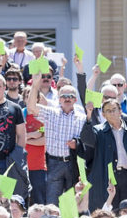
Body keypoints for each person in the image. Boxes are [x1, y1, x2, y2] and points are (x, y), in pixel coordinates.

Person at [79, 98, 127, 211]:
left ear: (120, 111)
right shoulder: (98, 130)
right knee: (110, 210)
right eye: (108, 111)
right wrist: (88, 116)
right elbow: (86, 139)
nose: (112, 113)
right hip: (108, 178)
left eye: (114, 109)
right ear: (103, 114)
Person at [28, 73, 85, 205]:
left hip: (73, 164)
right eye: (64, 96)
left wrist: (77, 144)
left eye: (71, 96)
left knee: (73, 203)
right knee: (52, 203)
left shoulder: (81, 118)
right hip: (54, 163)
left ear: (75, 100)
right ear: (58, 98)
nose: (67, 99)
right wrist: (35, 86)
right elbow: (31, 107)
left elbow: (87, 143)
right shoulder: (51, 113)